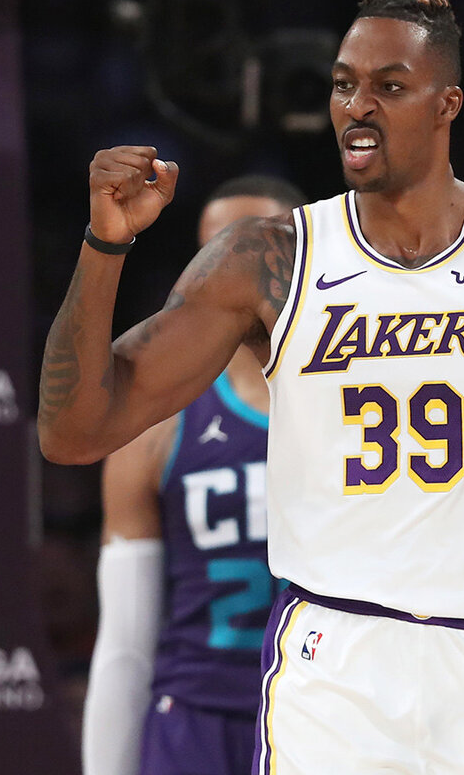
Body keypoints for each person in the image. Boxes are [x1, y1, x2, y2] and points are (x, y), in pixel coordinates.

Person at [39, 0, 464, 774]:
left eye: (389, 85)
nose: (357, 106)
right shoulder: (271, 259)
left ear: (447, 104)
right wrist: (104, 247)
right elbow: (73, 431)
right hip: (333, 664)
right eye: (344, 84)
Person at [80, 175, 306, 775]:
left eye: (254, 248)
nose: (233, 268)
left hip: (326, 712)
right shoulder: (156, 426)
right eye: (216, 253)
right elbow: (124, 642)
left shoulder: (370, 411)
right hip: (197, 721)